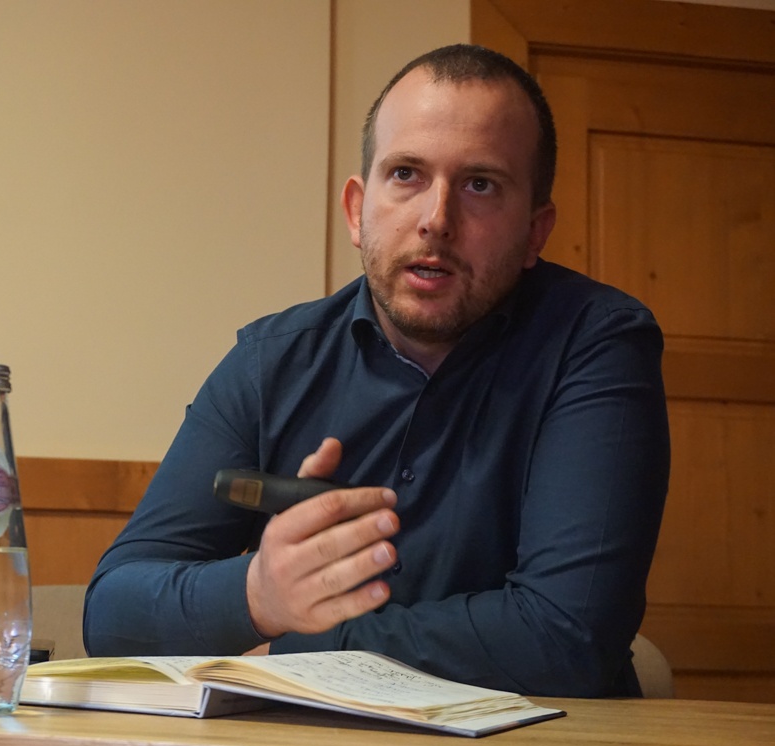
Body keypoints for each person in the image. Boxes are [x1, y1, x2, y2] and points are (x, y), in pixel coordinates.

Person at [82, 44, 670, 698]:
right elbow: (112, 615)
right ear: (357, 211)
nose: (436, 220)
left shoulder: (597, 342)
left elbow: (568, 637)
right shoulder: (270, 361)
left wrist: (303, 645)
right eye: (407, 174)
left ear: (535, 231)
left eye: (480, 184)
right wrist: (260, 592)